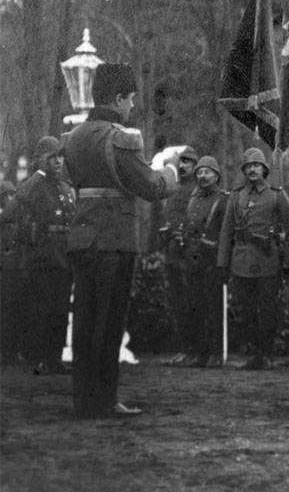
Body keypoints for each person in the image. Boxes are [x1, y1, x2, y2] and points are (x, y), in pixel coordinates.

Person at [62, 62, 179, 417]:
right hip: (114, 239)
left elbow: (73, 182)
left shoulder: (73, 138)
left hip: (82, 239)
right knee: (109, 324)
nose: (131, 107)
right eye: (129, 100)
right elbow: (149, 186)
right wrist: (171, 170)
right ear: (116, 99)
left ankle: (84, 401)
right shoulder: (122, 137)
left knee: (84, 323)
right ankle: (105, 401)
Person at [216, 147, 289, 371]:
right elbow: (226, 232)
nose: (252, 170)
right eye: (248, 166)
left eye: (256, 166)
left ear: (264, 169)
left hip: (267, 259)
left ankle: (267, 354)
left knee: (267, 310)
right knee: (245, 309)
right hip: (241, 260)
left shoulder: (276, 195)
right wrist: (223, 263)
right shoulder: (236, 196)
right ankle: (254, 353)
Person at [0, 136, 76, 375]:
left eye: (60, 157)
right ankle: (41, 357)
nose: (57, 162)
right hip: (41, 258)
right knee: (42, 309)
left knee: (61, 309)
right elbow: (9, 215)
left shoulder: (65, 188)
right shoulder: (33, 186)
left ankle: (54, 357)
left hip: (63, 256)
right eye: (52, 157)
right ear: (42, 160)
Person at [179, 156, 230, 367]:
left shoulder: (224, 200)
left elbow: (227, 233)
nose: (202, 176)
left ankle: (216, 353)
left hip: (212, 261)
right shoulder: (193, 199)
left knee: (214, 309)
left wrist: (221, 259)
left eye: (207, 172)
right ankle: (199, 352)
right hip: (193, 260)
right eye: (199, 172)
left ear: (216, 175)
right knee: (195, 307)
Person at [158, 145, 199, 366]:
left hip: (190, 254)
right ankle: (184, 348)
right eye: (180, 161)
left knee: (191, 302)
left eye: (187, 162)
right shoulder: (172, 189)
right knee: (176, 302)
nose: (182, 166)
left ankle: (194, 349)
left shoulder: (197, 190)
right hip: (172, 252)